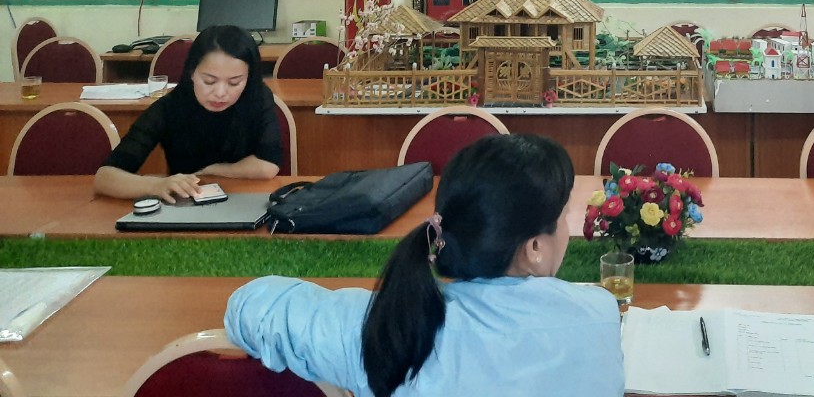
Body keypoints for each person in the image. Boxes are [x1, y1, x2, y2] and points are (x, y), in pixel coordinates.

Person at [225, 134, 623, 397]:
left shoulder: (385, 328)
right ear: (534, 247)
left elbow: (249, 305)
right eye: (564, 215)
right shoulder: (599, 314)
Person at [94, 26, 281, 202]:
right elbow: (104, 177)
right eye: (209, 81)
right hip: (186, 201)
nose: (220, 93)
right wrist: (157, 185)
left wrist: (211, 170)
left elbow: (268, 166)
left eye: (234, 82)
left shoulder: (257, 96)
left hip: (244, 199)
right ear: (191, 73)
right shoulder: (170, 107)